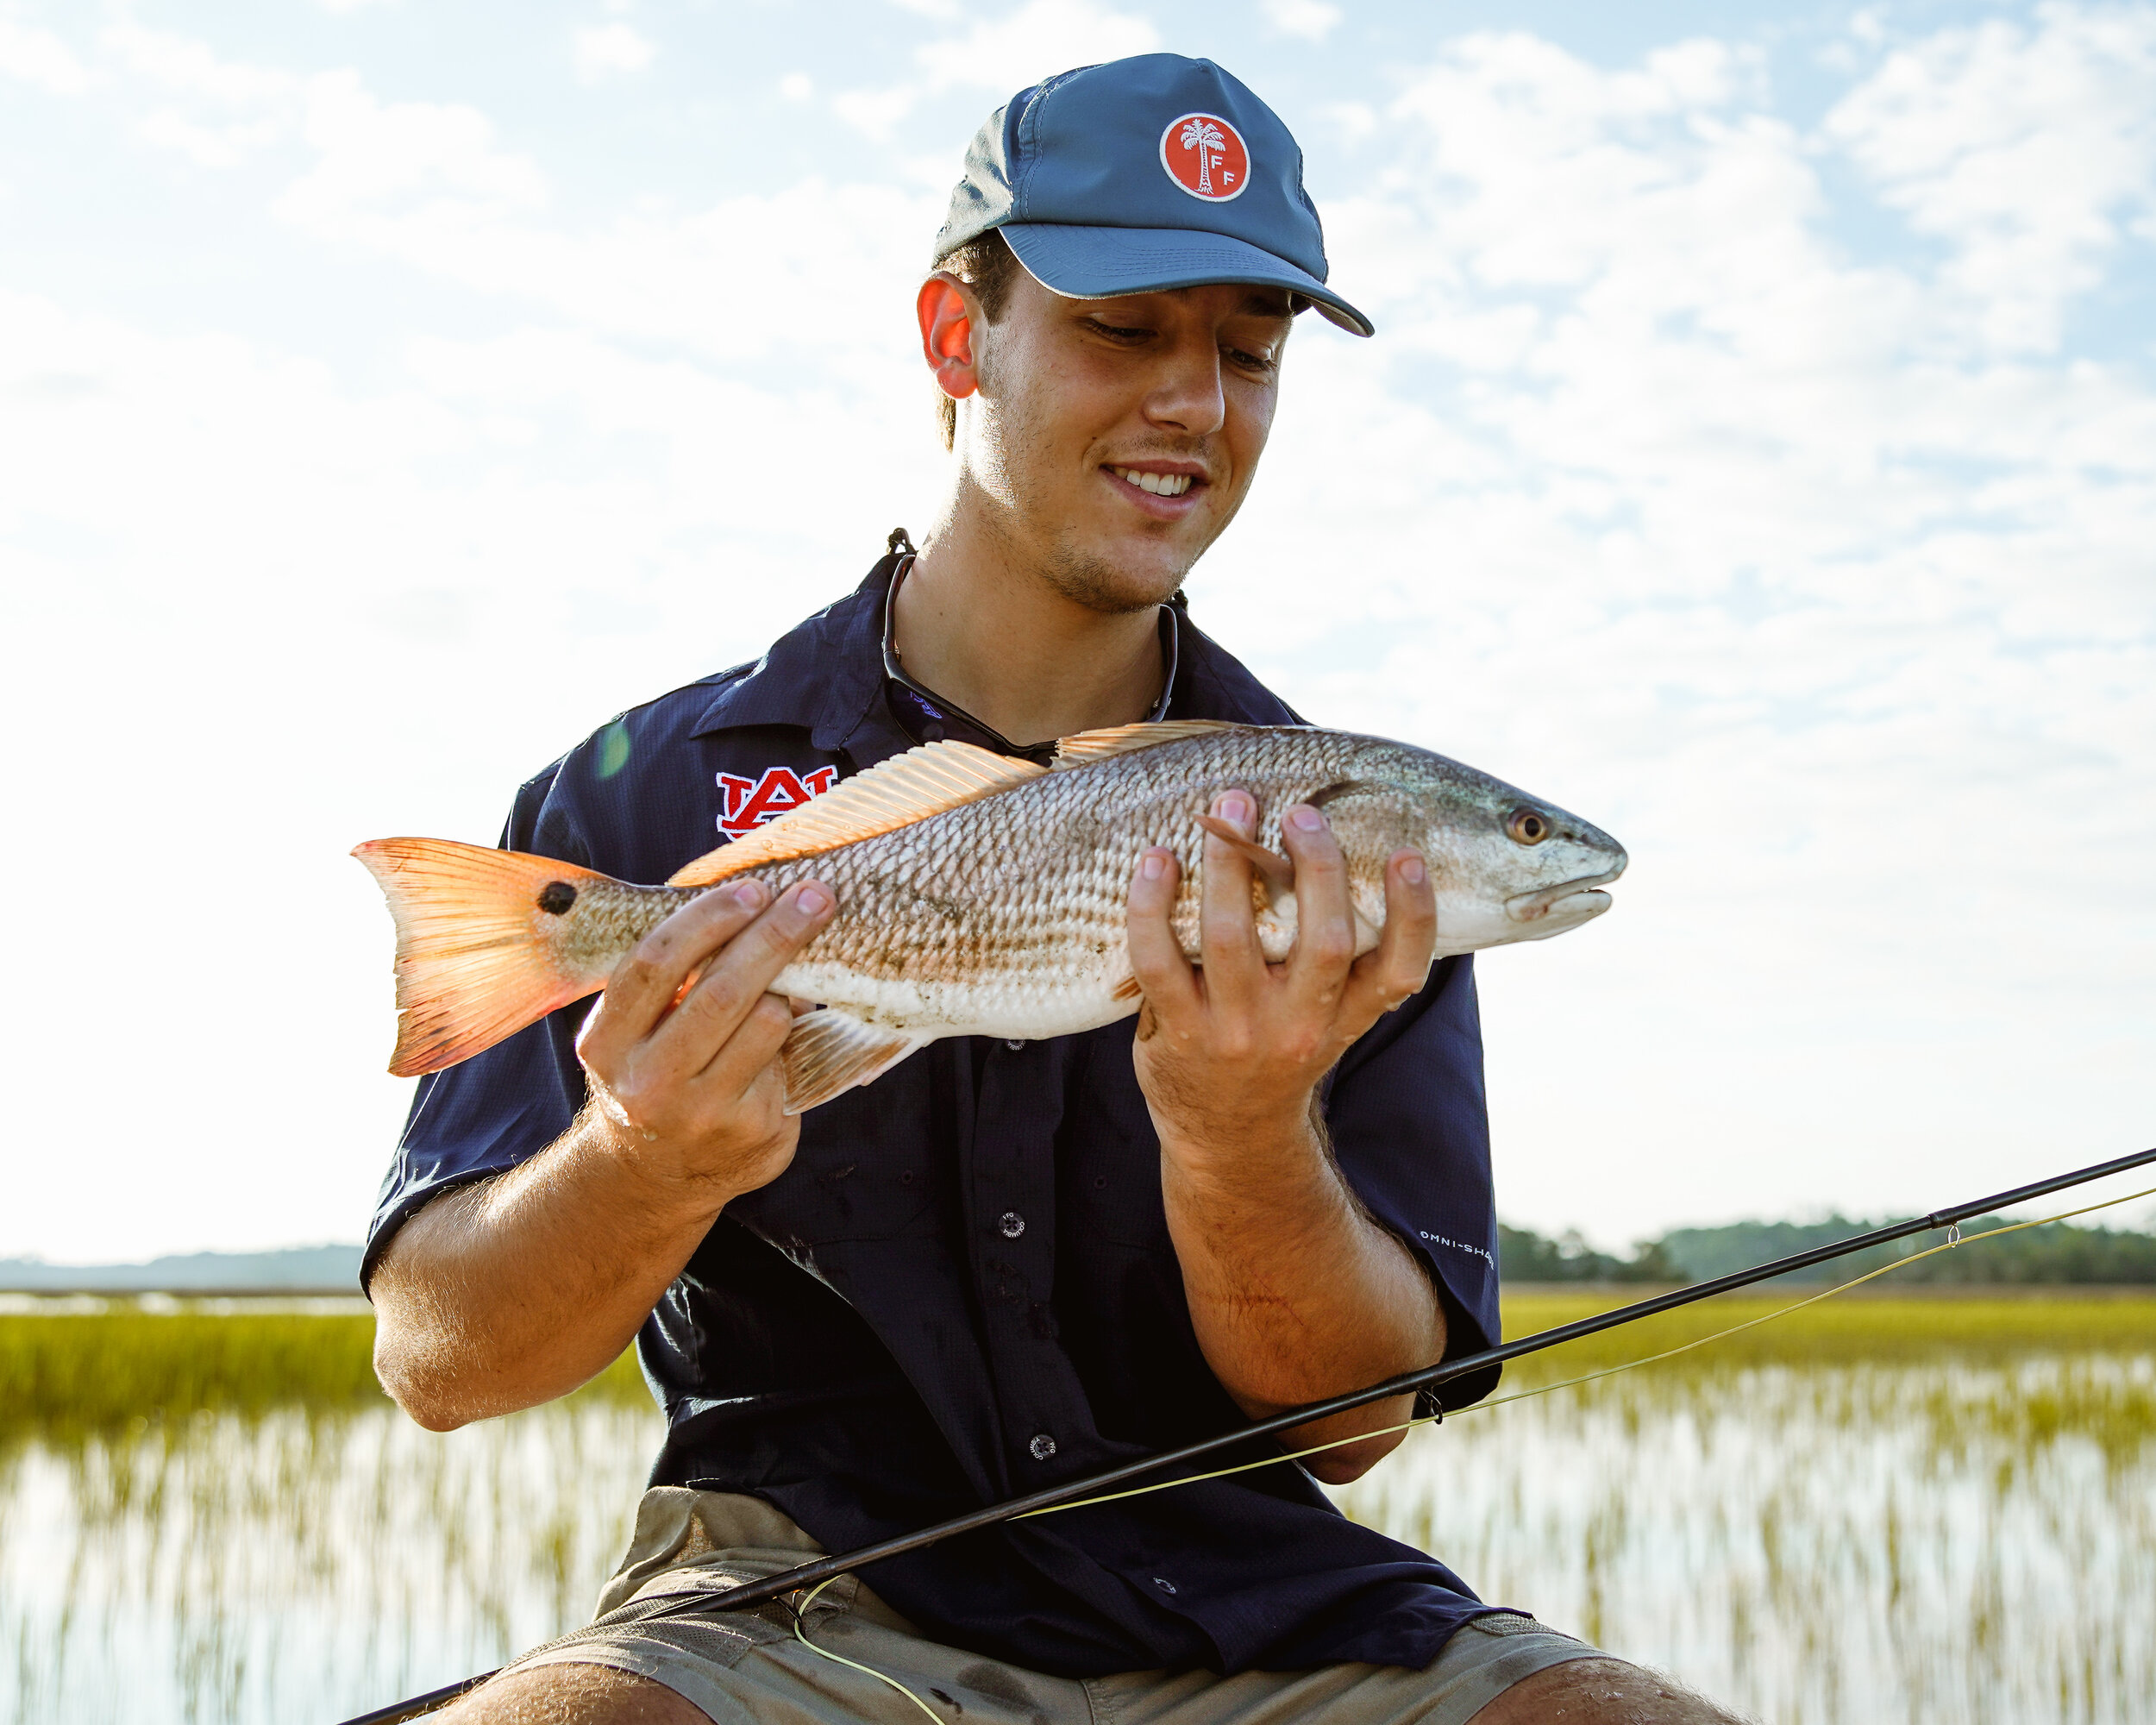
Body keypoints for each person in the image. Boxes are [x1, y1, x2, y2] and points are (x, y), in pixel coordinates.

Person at [366, 53, 1745, 1725]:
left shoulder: (1322, 842)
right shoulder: (648, 794)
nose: (1195, 401)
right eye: (1122, 327)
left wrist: (1242, 1134)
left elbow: (1351, 1419)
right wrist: (641, 1163)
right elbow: (437, 1360)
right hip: (785, 1604)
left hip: (1264, 1610)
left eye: (1246, 352)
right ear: (956, 337)